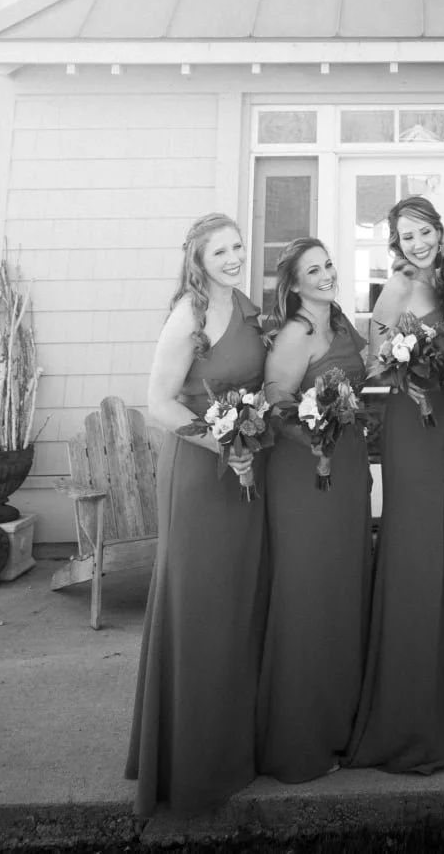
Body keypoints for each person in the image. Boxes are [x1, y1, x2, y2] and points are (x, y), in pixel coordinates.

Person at [126, 213, 268, 819]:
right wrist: (224, 443)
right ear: (198, 260)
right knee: (200, 605)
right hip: (199, 473)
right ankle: (188, 762)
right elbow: (158, 402)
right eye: (221, 252)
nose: (234, 258)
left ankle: (229, 748)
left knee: (238, 604)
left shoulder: (248, 306)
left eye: (238, 247)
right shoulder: (189, 314)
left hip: (243, 474)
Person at [347, 196, 444, 773]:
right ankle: (409, 711)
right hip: (413, 422)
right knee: (417, 544)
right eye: (406, 235)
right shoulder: (396, 289)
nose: (416, 243)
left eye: (424, 232)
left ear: (440, 231)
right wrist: (408, 370)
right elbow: (374, 363)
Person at [256, 238, 372, 783]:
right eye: (313, 270)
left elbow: (359, 380)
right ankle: (298, 738)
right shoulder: (294, 334)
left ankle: (339, 726)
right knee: (307, 593)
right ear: (295, 284)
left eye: (328, 264)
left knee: (342, 589)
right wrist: (315, 439)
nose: (326, 274)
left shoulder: (345, 326)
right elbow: (274, 404)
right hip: (306, 472)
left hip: (348, 469)